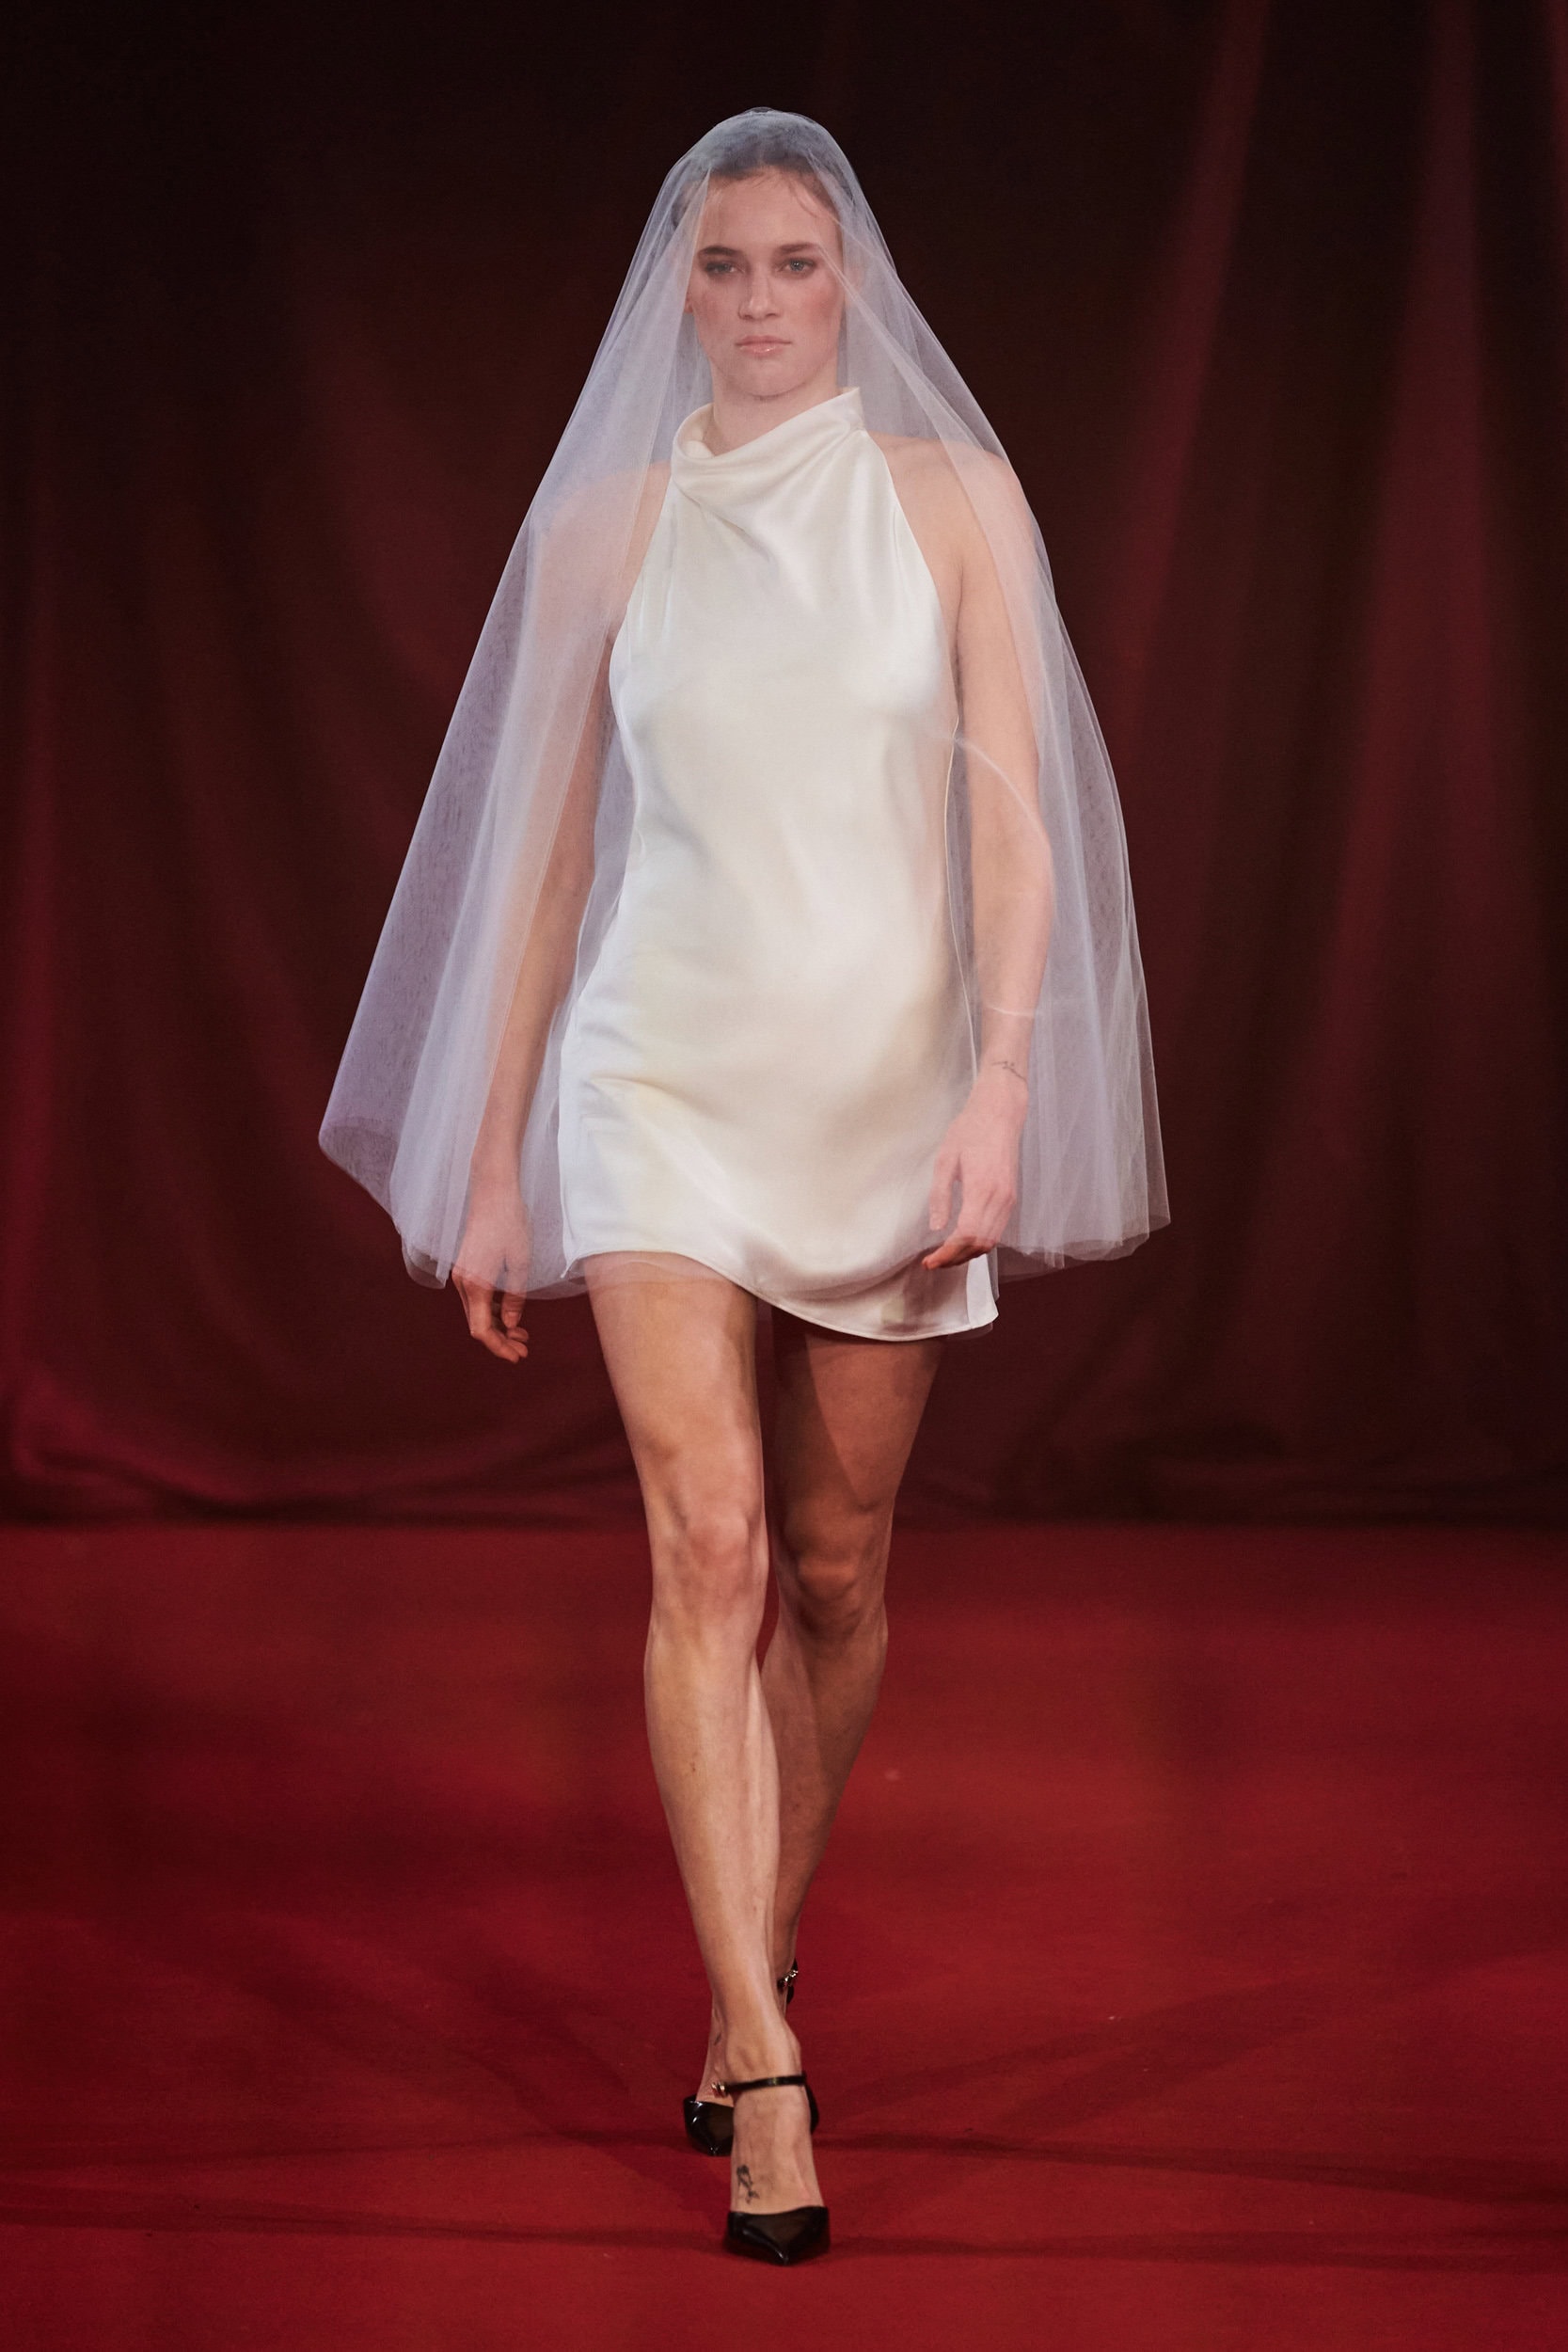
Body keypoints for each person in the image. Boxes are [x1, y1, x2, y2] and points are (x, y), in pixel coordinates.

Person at [321, 109, 1165, 2265]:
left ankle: (748, 1946)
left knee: (837, 1563)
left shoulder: (951, 498)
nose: (762, 299)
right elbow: (545, 857)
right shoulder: (603, 525)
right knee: (706, 1547)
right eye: (725, 265)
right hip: (658, 1075)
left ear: (851, 282)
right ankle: (768, 2068)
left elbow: (1012, 819)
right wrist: (493, 1152)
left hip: (888, 1087)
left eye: (796, 262)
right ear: (675, 289)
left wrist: (1002, 1084)